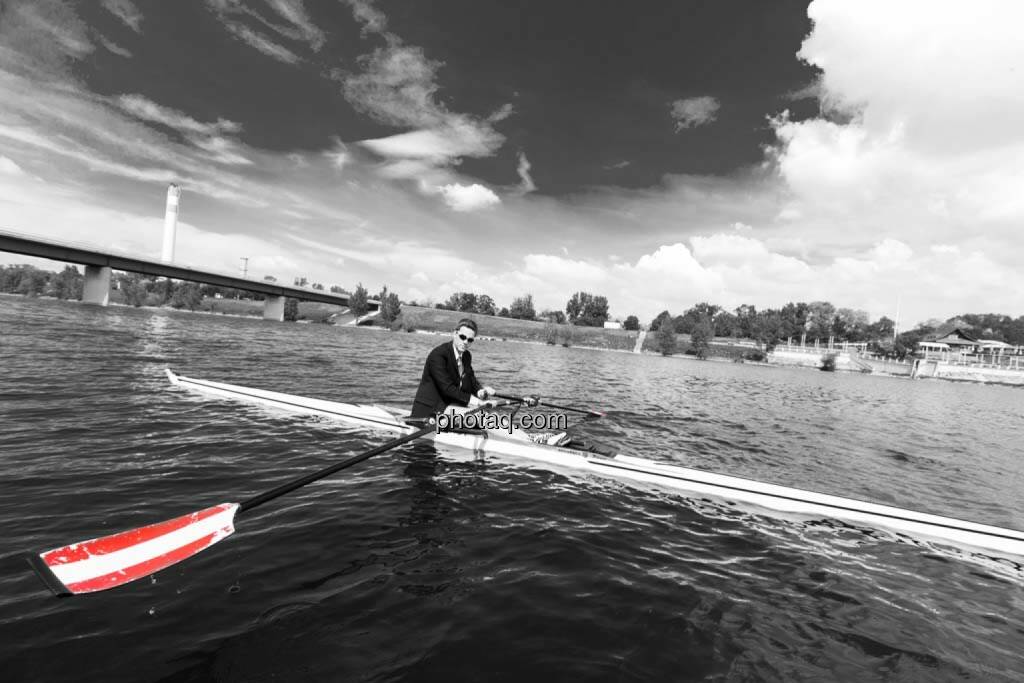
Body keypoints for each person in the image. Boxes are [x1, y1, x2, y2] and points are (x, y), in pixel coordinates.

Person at [410, 318, 497, 419]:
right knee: (481, 416)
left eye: (470, 340)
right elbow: (447, 388)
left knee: (489, 414)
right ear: (455, 334)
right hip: (429, 411)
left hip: (450, 407)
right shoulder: (438, 355)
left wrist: (481, 391)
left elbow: (471, 380)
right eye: (463, 337)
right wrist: (478, 402)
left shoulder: (467, 356)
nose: (465, 342)